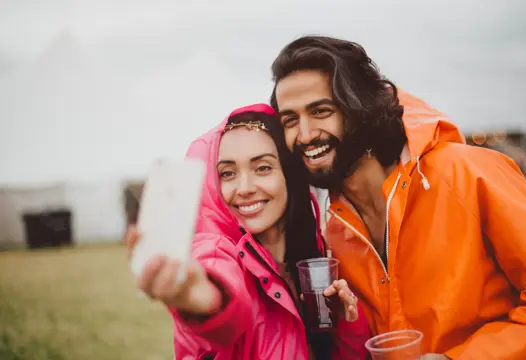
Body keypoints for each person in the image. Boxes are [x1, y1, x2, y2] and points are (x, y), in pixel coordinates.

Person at [269, 35, 526, 359]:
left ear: (358, 108)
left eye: (321, 111)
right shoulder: (335, 232)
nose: (305, 134)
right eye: (290, 120)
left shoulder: (468, 173)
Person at [125, 104, 370, 360]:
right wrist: (207, 300)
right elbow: (221, 294)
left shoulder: (316, 254)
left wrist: (346, 325)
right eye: (228, 173)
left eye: (262, 168)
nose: (245, 188)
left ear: (289, 174)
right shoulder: (216, 253)